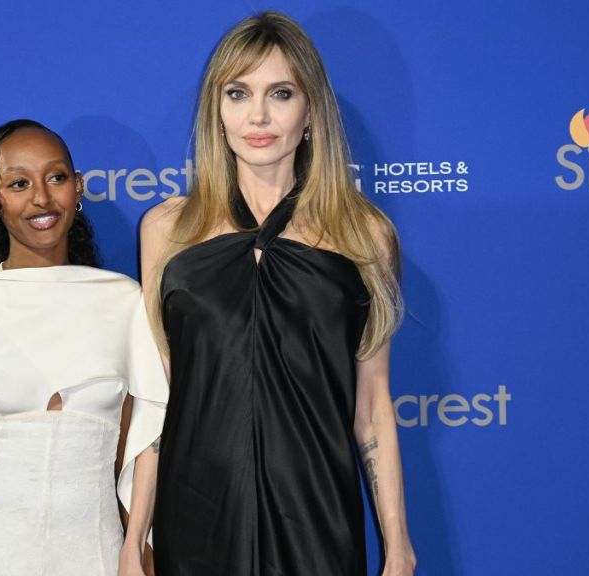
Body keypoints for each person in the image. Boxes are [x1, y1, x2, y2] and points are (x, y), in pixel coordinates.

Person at [129, 12, 416, 576]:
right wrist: (135, 537)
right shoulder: (166, 230)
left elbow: (372, 405)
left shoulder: (364, 235)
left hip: (317, 515)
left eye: (280, 93)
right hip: (198, 511)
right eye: (238, 93)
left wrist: (399, 548)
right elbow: (159, 394)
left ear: (310, 111)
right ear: (217, 110)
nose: (257, 115)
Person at [0, 119, 168, 576]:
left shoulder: (126, 300)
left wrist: (142, 555)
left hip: (95, 556)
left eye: (56, 178)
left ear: (78, 188)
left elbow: (134, 459)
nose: (41, 198)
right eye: (19, 183)